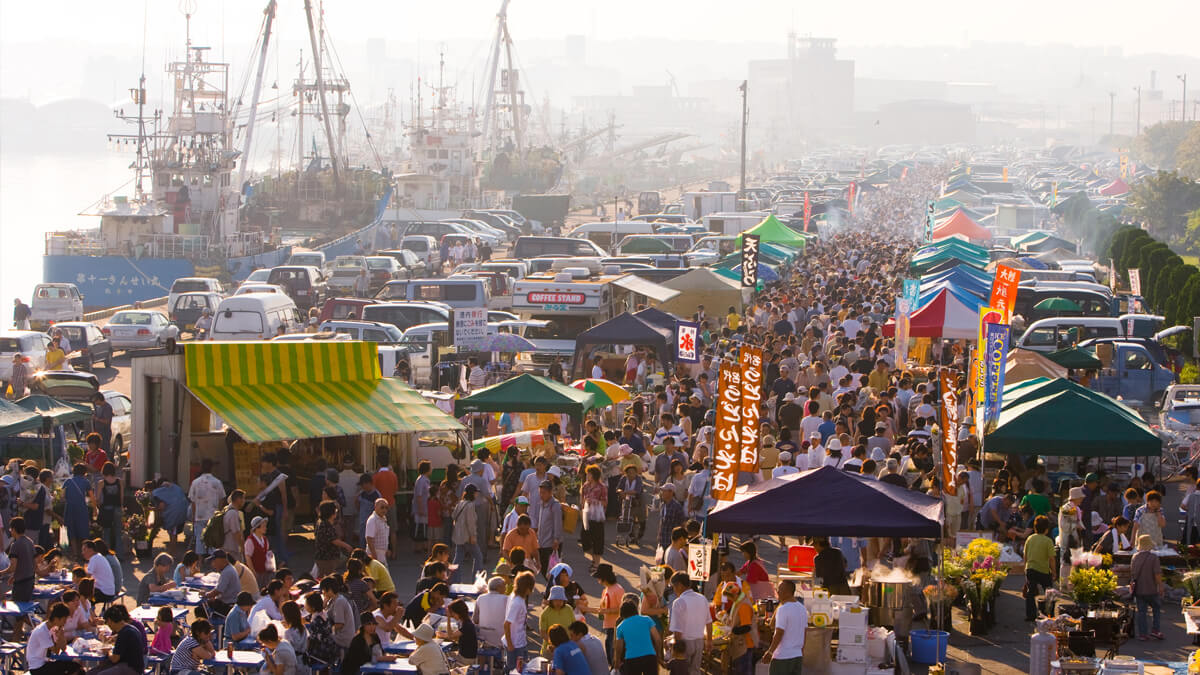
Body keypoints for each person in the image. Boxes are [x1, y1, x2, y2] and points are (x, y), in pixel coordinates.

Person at [761, 580, 808, 675]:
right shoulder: (802, 608)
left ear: (787, 592)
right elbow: (804, 632)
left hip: (782, 657)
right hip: (797, 656)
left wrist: (770, 652)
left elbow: (779, 633)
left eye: (780, 589)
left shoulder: (783, 609)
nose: (777, 592)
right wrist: (801, 652)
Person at [668, 570, 711, 671]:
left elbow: (677, 631)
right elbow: (709, 622)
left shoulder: (679, 602)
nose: (674, 590)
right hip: (699, 642)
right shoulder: (702, 598)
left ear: (679, 585)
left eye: (673, 587)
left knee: (682, 671)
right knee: (695, 671)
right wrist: (709, 641)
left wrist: (675, 648)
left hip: (684, 644)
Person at [612, 599, 661, 675]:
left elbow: (619, 648)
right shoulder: (647, 619)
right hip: (649, 656)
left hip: (631, 659)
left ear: (622, 613)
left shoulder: (620, 627)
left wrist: (617, 661)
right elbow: (657, 639)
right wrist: (658, 654)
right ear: (636, 609)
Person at [188, 458, 225, 554]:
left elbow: (193, 501)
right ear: (212, 468)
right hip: (213, 515)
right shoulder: (217, 482)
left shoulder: (195, 482)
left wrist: (193, 515)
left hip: (199, 515)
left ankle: (200, 561)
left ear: (201, 468)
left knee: (199, 539)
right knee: (213, 538)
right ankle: (213, 560)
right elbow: (222, 498)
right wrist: (219, 511)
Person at [1131, 534, 1165, 641]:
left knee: (1141, 612)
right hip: (1151, 589)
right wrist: (1160, 586)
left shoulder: (1134, 557)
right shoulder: (1153, 557)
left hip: (1139, 590)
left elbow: (1132, 573)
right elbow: (1157, 574)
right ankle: (1155, 630)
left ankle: (1142, 634)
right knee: (1156, 608)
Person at [1023, 515, 1055, 622]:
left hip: (1030, 568)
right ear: (1047, 529)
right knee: (1049, 591)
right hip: (1043, 570)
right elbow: (1051, 559)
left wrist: (1025, 568)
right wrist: (1054, 572)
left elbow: (1025, 555)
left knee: (1030, 592)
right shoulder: (1048, 541)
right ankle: (1048, 612)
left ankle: (1030, 615)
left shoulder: (1030, 538)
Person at [98, 604, 147, 675]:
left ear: (110, 620)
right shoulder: (130, 628)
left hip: (131, 668)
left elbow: (115, 659)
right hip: (135, 666)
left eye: (107, 623)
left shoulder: (124, 633)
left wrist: (108, 651)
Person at [530, 479, 564, 579]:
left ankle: (553, 590)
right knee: (543, 568)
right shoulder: (542, 504)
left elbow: (558, 524)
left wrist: (556, 539)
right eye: (540, 493)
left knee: (551, 569)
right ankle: (551, 589)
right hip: (542, 541)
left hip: (551, 543)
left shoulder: (555, 505)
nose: (541, 495)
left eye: (543, 493)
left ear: (550, 492)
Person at [503, 571, 535, 671]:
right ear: (527, 588)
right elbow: (506, 624)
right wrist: (510, 644)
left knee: (523, 668)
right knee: (515, 671)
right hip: (515, 644)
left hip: (520, 642)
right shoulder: (517, 603)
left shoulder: (515, 596)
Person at [579, 465, 608, 573]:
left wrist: (595, 501)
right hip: (587, 515)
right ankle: (594, 558)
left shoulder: (602, 487)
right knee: (584, 539)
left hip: (597, 517)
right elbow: (582, 498)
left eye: (589, 474)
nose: (587, 476)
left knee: (597, 540)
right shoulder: (585, 486)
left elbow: (605, 502)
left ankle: (596, 563)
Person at [62, 463, 93, 560]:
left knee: (72, 531)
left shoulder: (67, 481)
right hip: (81, 508)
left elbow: (62, 497)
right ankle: (85, 554)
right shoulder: (86, 482)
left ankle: (75, 554)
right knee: (84, 531)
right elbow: (92, 496)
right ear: (84, 472)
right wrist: (95, 508)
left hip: (70, 508)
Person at [540, 586, 577, 657]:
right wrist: (554, 644)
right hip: (551, 650)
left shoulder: (569, 609)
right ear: (551, 600)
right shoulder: (545, 613)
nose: (558, 602)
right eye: (555, 600)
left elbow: (574, 628)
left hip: (567, 647)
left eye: (561, 600)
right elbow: (543, 633)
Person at [95, 462, 123, 553]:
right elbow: (121, 497)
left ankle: (107, 553)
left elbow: (98, 498)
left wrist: (98, 507)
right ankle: (120, 554)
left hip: (106, 508)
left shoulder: (101, 483)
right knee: (118, 532)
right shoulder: (120, 481)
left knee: (106, 532)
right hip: (117, 507)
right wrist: (121, 507)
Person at [203, 549, 241, 616]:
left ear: (221, 560)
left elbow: (218, 590)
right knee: (208, 603)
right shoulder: (229, 568)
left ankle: (207, 625)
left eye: (214, 561)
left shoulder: (227, 571)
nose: (212, 564)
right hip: (230, 603)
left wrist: (206, 594)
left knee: (201, 609)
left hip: (228, 606)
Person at [444, 598, 477, 665]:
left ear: (458, 612)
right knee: (445, 653)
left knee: (442, 656)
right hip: (465, 656)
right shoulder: (466, 622)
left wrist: (448, 618)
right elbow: (455, 638)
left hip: (465, 659)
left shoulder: (466, 625)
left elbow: (450, 636)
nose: (452, 615)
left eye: (452, 613)